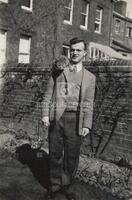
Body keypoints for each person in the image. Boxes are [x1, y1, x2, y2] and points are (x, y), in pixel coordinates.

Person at [42, 37, 96, 199]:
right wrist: (45, 114)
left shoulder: (90, 77)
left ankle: (66, 185)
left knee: (71, 156)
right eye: (72, 49)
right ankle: (54, 186)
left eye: (78, 50)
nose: (75, 53)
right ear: (69, 51)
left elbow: (88, 102)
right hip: (57, 118)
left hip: (76, 120)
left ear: (84, 53)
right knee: (55, 154)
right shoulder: (58, 71)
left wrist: (87, 123)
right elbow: (47, 95)